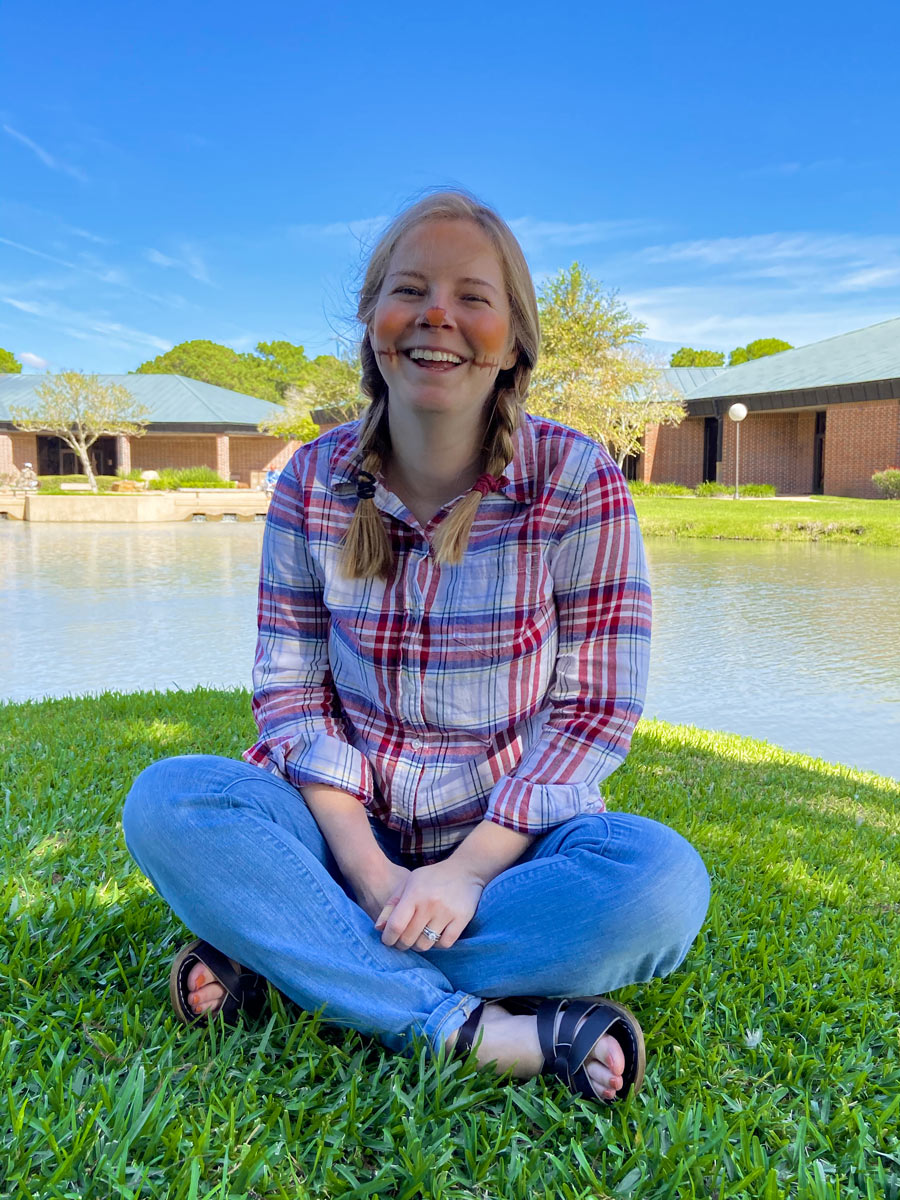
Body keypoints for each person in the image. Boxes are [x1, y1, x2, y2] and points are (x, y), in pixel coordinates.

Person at [123, 190, 709, 1105]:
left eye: (473, 296)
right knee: (171, 802)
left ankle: (288, 956)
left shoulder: (577, 479)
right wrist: (368, 873)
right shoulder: (311, 481)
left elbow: (594, 712)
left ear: (513, 340)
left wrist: (466, 874)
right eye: (411, 290)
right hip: (338, 836)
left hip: (514, 851)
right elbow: (290, 695)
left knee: (661, 885)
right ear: (373, 321)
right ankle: (472, 1030)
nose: (439, 314)